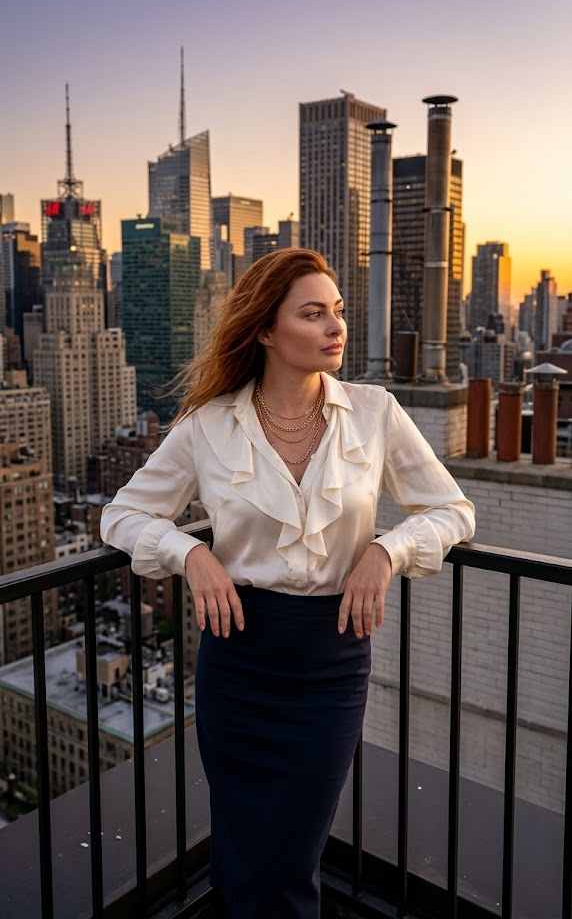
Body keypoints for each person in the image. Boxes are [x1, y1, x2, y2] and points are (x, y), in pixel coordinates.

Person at [100, 248, 475, 918]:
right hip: (238, 658)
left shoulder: (374, 412)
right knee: (243, 855)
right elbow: (122, 515)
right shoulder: (207, 426)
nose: (336, 327)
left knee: (290, 859)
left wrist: (387, 551)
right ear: (266, 330)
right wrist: (189, 553)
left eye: (336, 312)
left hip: (329, 665)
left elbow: (452, 512)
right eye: (313, 314)